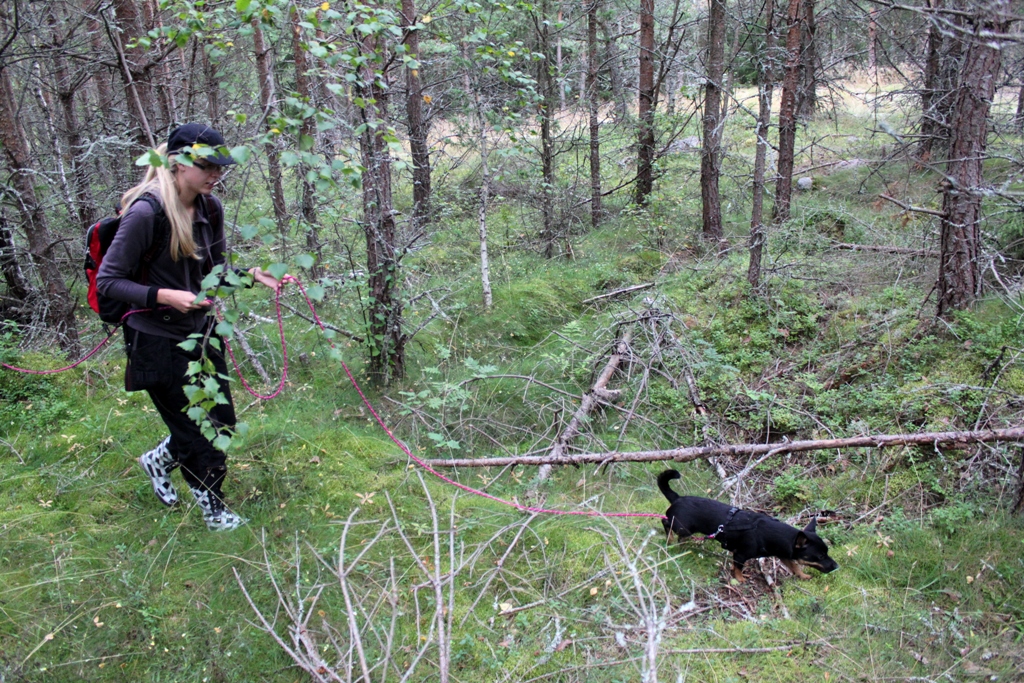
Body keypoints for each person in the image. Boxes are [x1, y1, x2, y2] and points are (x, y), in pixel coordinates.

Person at [97, 123, 279, 531]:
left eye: (219, 167)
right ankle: (215, 513)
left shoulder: (210, 208)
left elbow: (213, 274)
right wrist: (165, 295)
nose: (216, 174)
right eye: (206, 166)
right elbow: (108, 281)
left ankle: (157, 461)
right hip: (155, 338)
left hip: (201, 333)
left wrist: (251, 274)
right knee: (198, 433)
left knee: (223, 422)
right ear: (178, 162)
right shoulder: (146, 212)